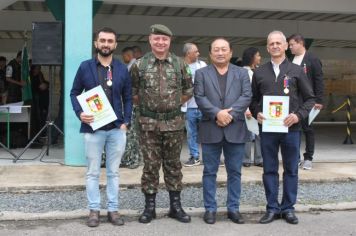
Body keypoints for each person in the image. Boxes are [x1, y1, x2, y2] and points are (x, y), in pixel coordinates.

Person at [250, 31, 315, 225]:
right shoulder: (259, 72)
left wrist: (297, 115)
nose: (275, 46)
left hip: (291, 130)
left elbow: (310, 99)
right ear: (267, 47)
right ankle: (271, 208)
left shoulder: (296, 71)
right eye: (271, 44)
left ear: (286, 46)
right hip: (268, 130)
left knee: (291, 170)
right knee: (269, 169)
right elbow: (253, 100)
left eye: (279, 43)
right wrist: (256, 113)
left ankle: (288, 208)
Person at [131, 24, 193, 224]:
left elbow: (188, 90)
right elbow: (132, 93)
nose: (160, 42)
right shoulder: (139, 65)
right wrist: (152, 109)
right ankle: (150, 208)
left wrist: (171, 105)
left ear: (169, 41)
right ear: (150, 40)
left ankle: (176, 206)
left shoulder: (179, 64)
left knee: (173, 165)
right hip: (148, 124)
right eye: (156, 38)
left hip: (173, 123)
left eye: (164, 39)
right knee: (150, 166)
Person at [70, 27, 132, 227]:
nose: (106, 44)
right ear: (96, 43)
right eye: (102, 40)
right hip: (93, 129)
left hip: (116, 129)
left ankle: (113, 210)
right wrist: (80, 113)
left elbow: (128, 98)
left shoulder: (122, 69)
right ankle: (94, 210)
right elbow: (74, 92)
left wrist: (126, 121)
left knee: (114, 172)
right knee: (93, 172)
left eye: (110, 41)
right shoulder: (85, 67)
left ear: (115, 45)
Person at [194, 38, 252, 224]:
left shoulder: (242, 73)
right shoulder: (202, 73)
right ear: (210, 54)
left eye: (224, 49)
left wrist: (230, 115)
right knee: (209, 171)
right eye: (216, 50)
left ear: (230, 52)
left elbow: (246, 96)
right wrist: (217, 113)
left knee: (235, 172)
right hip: (211, 127)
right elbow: (200, 97)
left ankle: (233, 208)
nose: (220, 53)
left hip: (235, 128)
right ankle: (210, 209)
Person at [288, 33, 324, 170]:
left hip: (308, 101)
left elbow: (319, 80)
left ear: (300, 43)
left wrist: (318, 100)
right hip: (293, 101)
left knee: (308, 129)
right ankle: (295, 157)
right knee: (292, 128)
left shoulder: (312, 59)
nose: (290, 47)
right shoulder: (290, 60)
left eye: (292, 44)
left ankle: (308, 157)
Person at [181, 43, 207, 167]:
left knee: (208, 133)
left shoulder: (203, 66)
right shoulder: (180, 67)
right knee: (191, 134)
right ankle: (194, 157)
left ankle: (209, 157)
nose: (198, 54)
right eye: (196, 51)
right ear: (188, 53)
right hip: (188, 107)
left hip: (203, 107)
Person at [241, 47, 263, 168]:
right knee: (248, 134)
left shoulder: (260, 71)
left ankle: (259, 159)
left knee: (259, 133)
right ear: (252, 57)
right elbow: (243, 92)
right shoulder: (243, 72)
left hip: (259, 107)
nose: (260, 58)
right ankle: (246, 159)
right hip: (248, 109)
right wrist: (246, 109)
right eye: (258, 55)